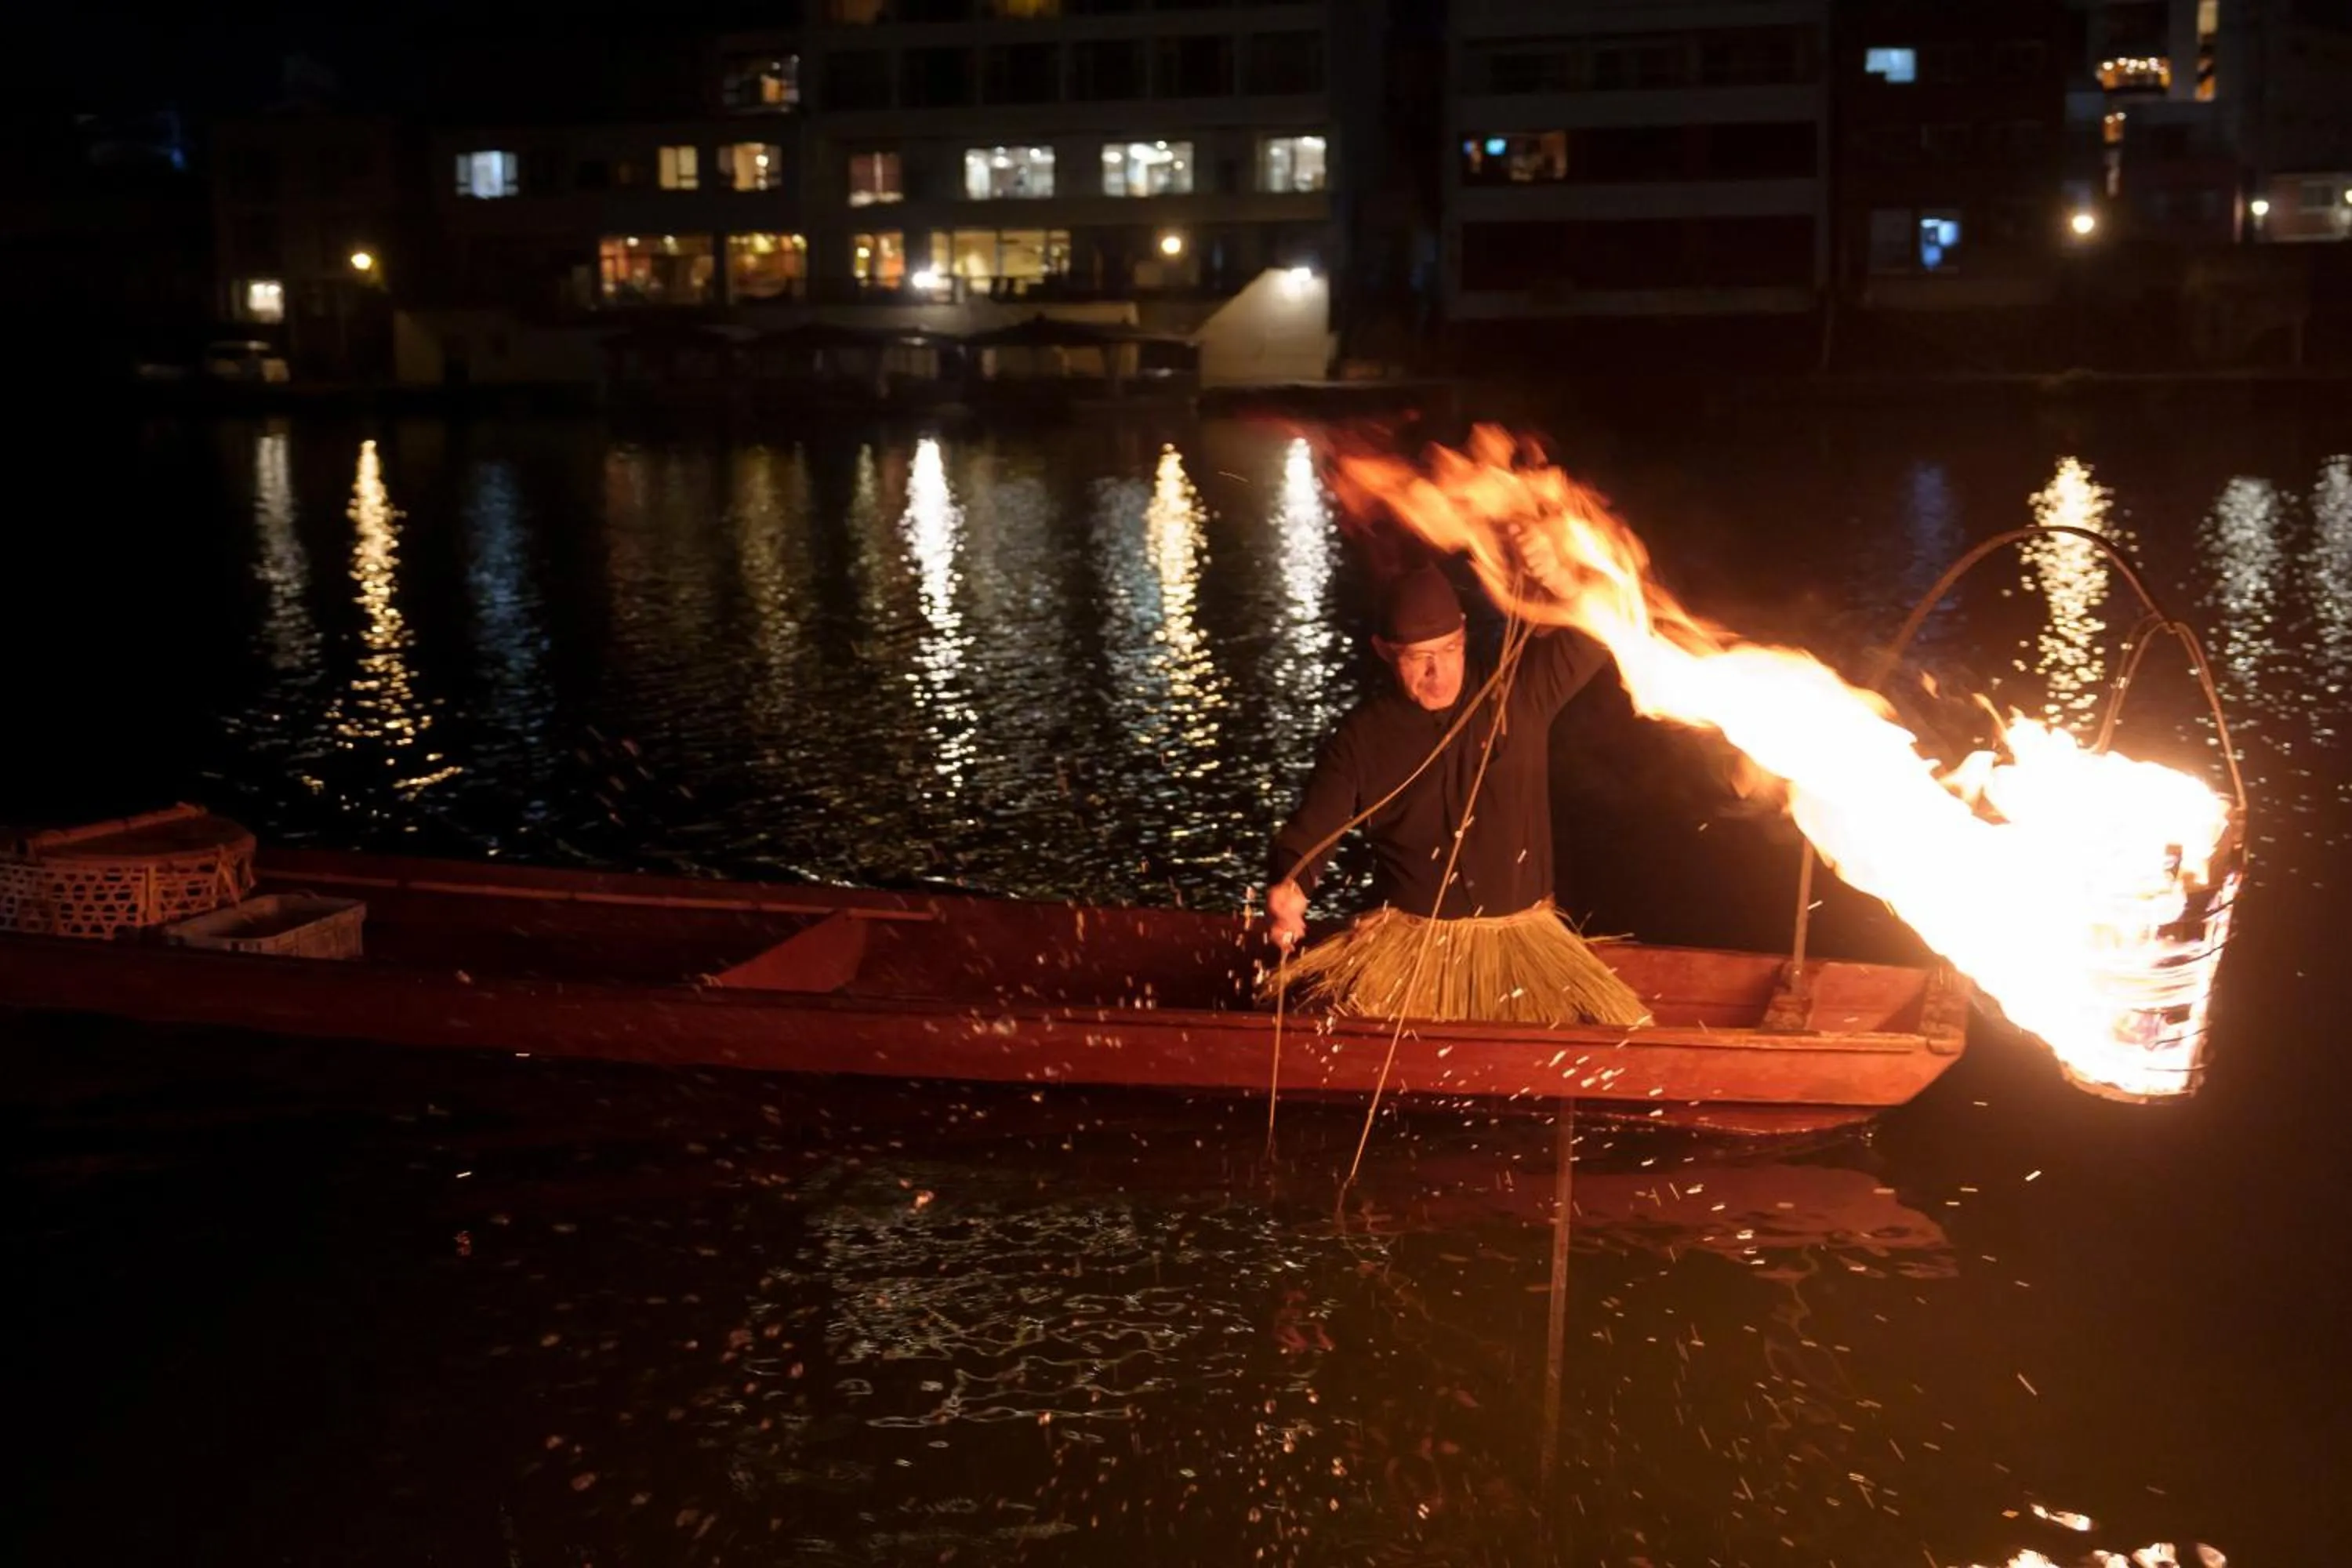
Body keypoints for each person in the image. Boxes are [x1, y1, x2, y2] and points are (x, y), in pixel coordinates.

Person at [1260, 550, 1649, 1027]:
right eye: (1420, 658)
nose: (1437, 673)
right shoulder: (1361, 739)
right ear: (1384, 651)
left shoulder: (1519, 691)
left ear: (1465, 633)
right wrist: (1291, 888)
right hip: (1410, 950)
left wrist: (1566, 583)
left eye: (1450, 650)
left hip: (1525, 946)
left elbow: (1600, 628)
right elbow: (1311, 833)